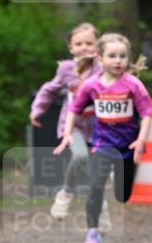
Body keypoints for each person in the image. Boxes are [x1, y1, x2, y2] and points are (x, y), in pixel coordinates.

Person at [54, 32, 152, 243]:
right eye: (112, 56)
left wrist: (140, 140)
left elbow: (147, 113)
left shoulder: (134, 85)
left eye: (122, 56)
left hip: (127, 147)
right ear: (100, 58)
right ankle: (93, 233)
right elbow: (74, 109)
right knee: (95, 187)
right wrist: (68, 132)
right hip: (102, 145)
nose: (118, 61)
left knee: (123, 195)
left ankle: (116, 179)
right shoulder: (91, 85)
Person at [29, 22, 102, 220]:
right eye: (79, 44)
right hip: (72, 126)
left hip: (98, 128)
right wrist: (37, 110)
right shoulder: (67, 69)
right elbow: (49, 90)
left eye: (89, 43)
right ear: (70, 47)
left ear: (97, 46)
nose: (84, 47)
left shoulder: (103, 68)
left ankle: (98, 207)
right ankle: (65, 193)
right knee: (80, 156)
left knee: (99, 168)